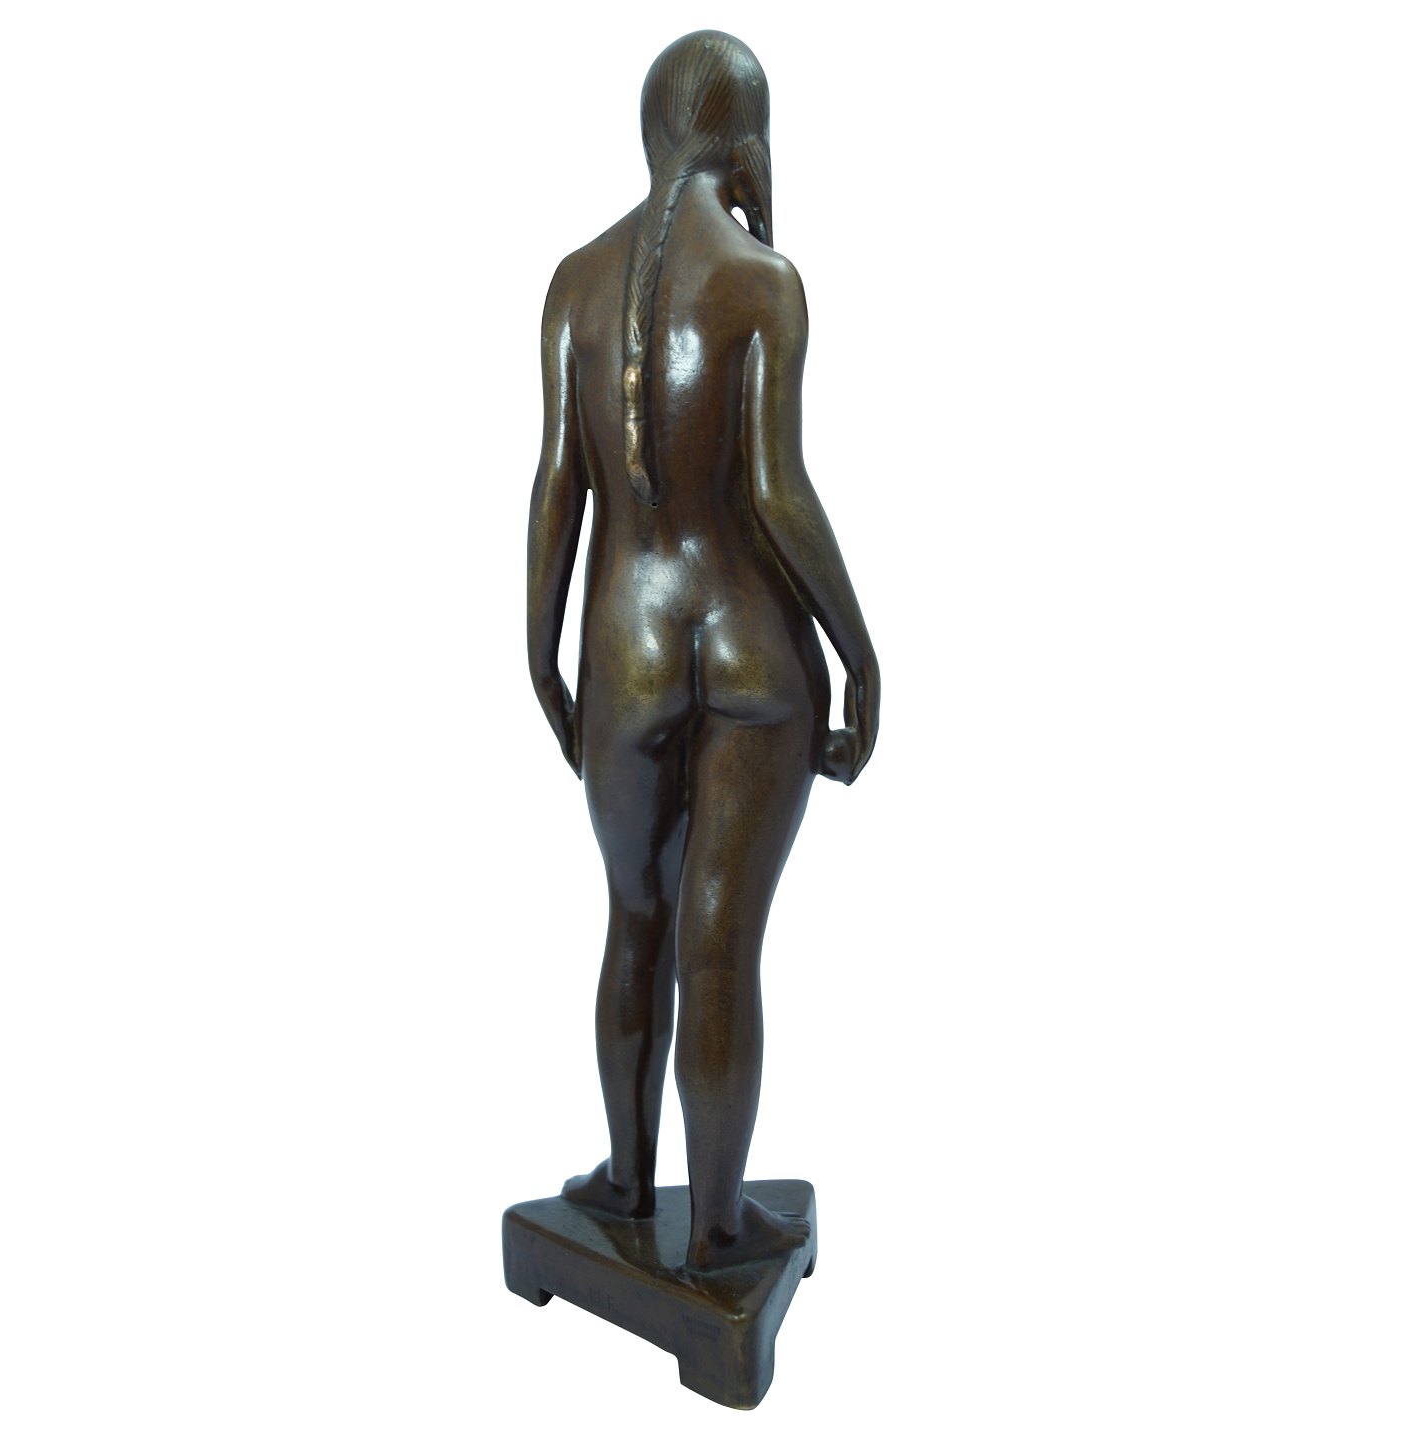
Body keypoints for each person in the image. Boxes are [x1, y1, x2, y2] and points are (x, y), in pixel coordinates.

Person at [526, 30, 879, 1273]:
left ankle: (627, 1184)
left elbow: (558, 486)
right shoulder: (764, 283)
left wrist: (540, 656)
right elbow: (777, 493)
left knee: (638, 917)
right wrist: (860, 652)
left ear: (651, 133)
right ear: (745, 139)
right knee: (719, 937)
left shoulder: (574, 282)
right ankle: (719, 1228)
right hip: (752, 656)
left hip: (621, 654)